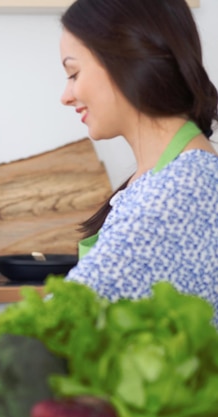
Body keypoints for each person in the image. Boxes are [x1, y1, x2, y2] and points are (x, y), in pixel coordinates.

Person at [59, 0, 218, 323]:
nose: (66, 95)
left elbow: (62, 325)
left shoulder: (182, 189)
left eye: (74, 73)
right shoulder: (166, 179)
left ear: (126, 60)